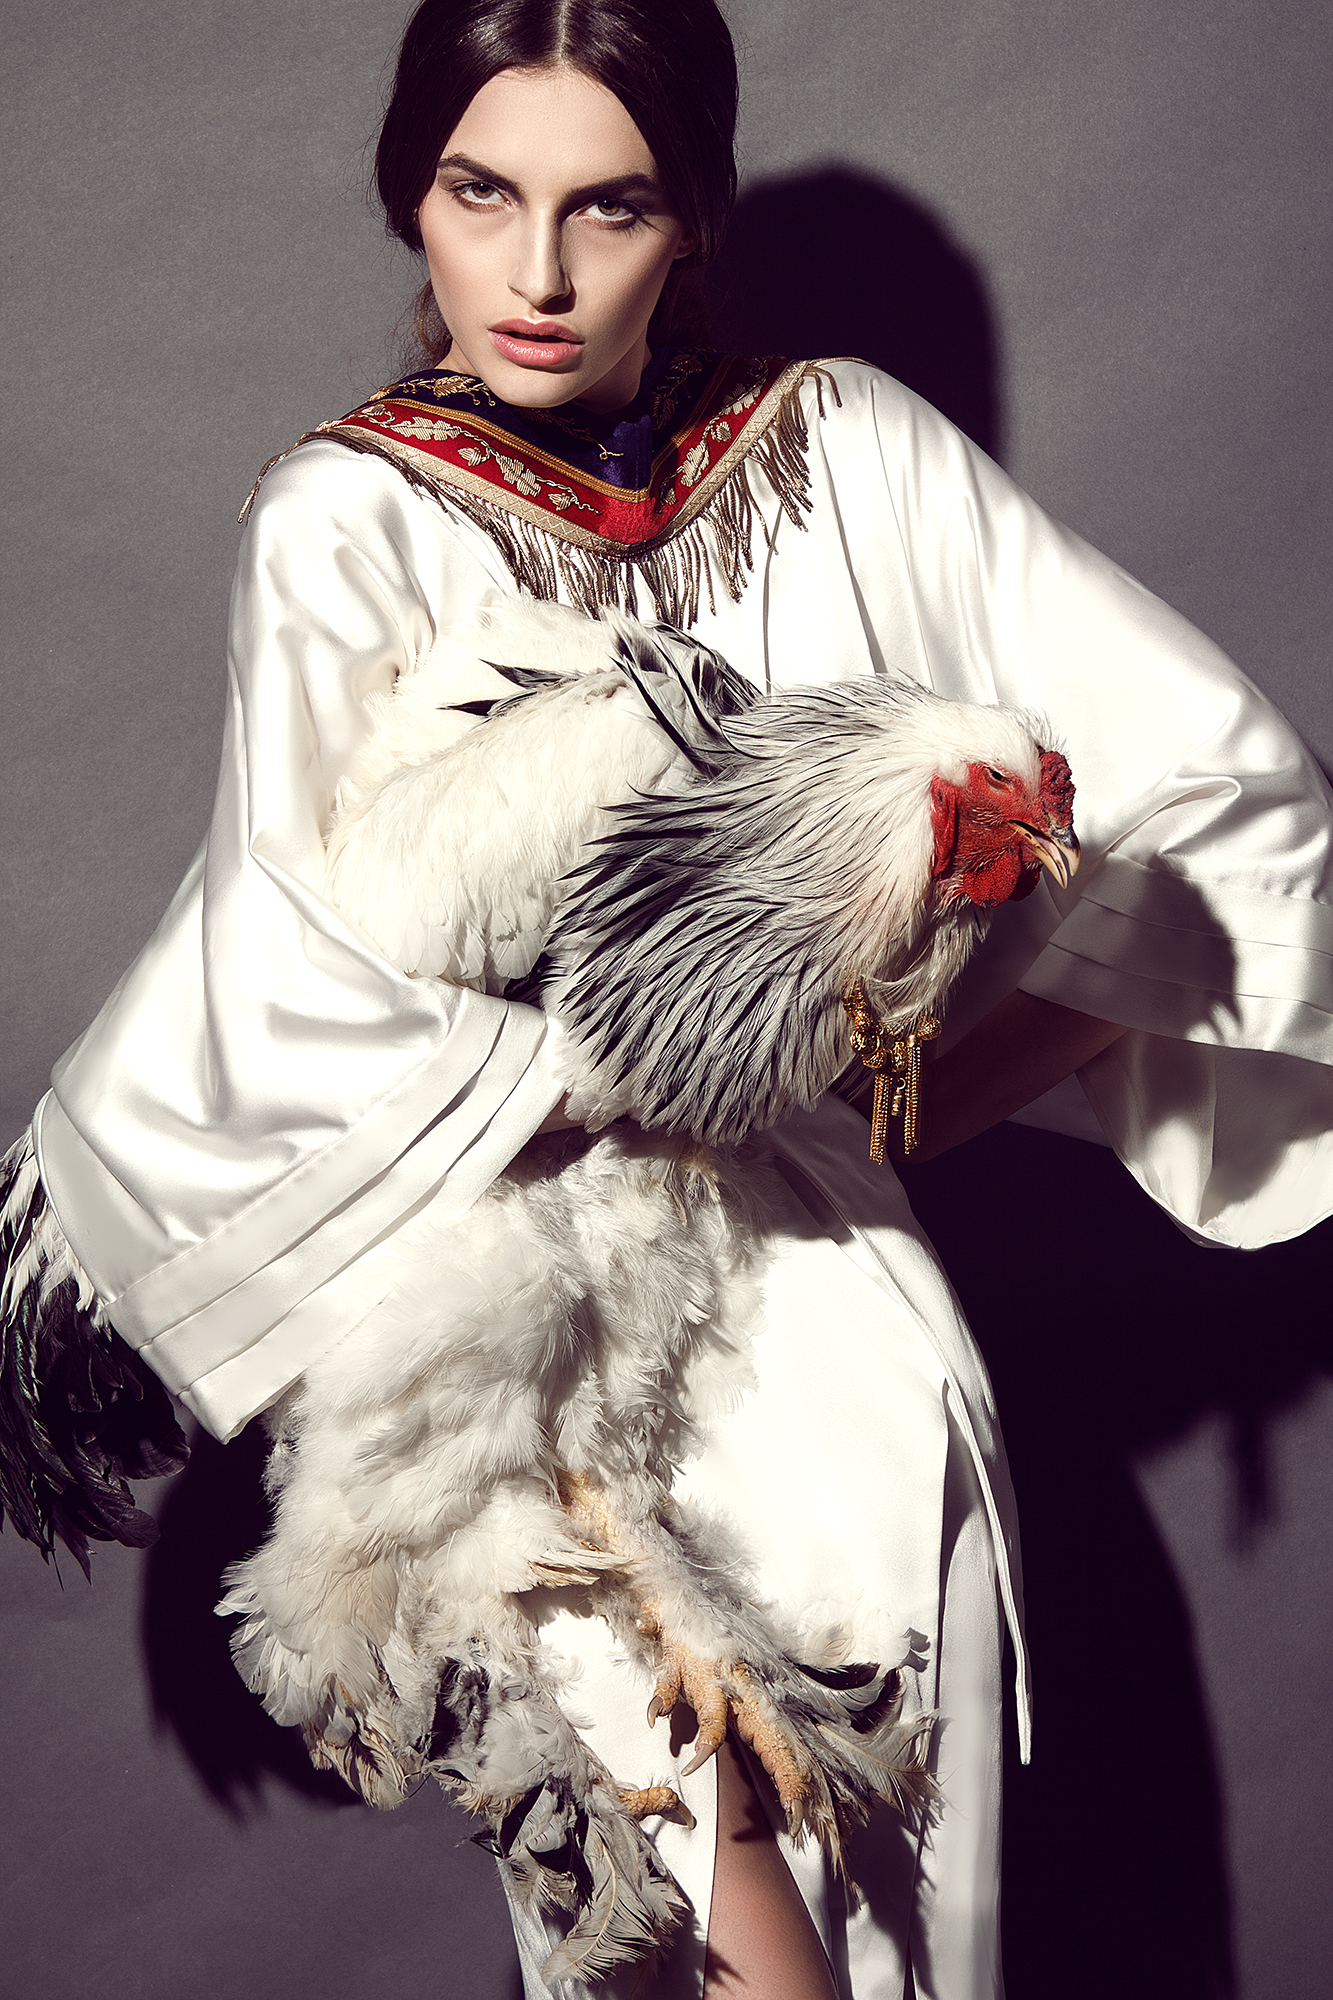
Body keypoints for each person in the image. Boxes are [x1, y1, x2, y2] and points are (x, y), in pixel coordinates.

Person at [8, 1, 1333, 1996]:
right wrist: (648, 1068)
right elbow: (308, 980)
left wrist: (884, 1106)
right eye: (482, 194)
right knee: (700, 1946)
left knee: (914, 1949)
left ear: (690, 217)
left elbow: (1234, 814)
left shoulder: (849, 450)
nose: (536, 273)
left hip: (837, 1348)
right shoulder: (348, 518)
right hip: (513, 1370)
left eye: (607, 207)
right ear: (410, 196)